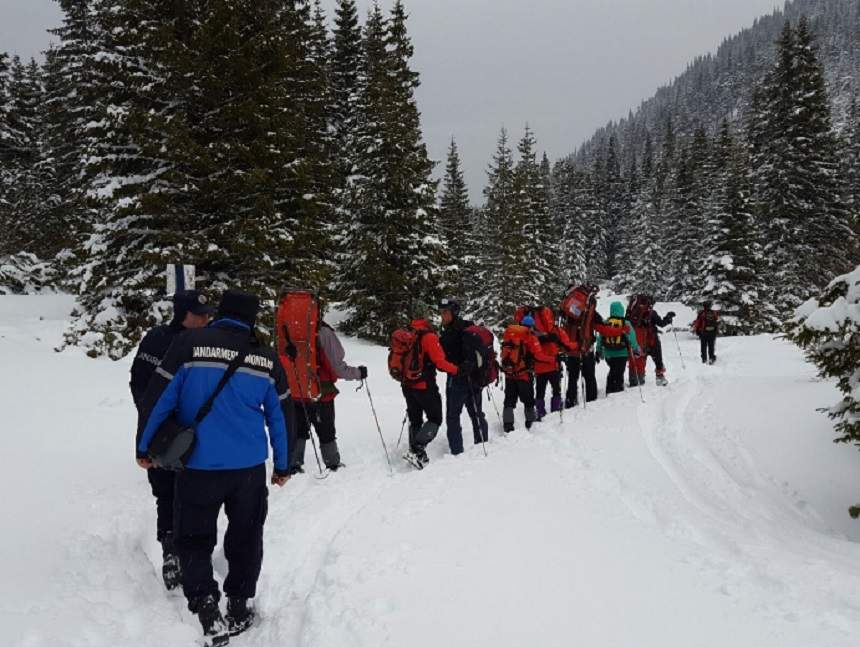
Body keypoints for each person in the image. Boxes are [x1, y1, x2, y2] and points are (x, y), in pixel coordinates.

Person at [136, 290, 291, 645]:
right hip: (248, 469)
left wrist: (144, 446)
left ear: (221, 313)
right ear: (251, 319)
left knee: (193, 536)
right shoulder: (266, 358)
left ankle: (206, 605)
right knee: (247, 534)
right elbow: (281, 416)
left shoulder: (190, 344)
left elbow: (159, 398)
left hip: (199, 466)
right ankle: (238, 604)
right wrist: (283, 464)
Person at [130, 289, 214, 590]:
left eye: (207, 314)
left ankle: (193, 550)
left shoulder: (209, 340)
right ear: (182, 313)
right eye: (198, 314)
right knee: (165, 492)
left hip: (199, 433)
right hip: (163, 433)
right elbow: (139, 383)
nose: (205, 319)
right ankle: (170, 549)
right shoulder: (156, 340)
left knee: (195, 492)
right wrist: (156, 423)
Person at [288, 310, 366, 474]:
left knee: (298, 428)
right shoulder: (322, 332)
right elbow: (338, 368)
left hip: (295, 390)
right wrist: (358, 373)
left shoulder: (287, 328)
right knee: (326, 430)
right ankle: (332, 464)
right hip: (320, 392)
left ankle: (293, 464)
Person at [400, 316, 460, 467]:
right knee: (435, 418)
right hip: (424, 385)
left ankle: (415, 451)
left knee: (415, 419)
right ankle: (417, 449)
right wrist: (456, 370)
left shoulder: (408, 334)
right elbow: (439, 362)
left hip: (407, 384)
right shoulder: (429, 337)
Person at [560, 285, 630, 407]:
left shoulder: (569, 310)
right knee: (589, 377)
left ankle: (570, 401)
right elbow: (605, 330)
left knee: (572, 377)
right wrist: (622, 330)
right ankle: (591, 401)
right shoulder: (590, 314)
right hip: (586, 348)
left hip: (571, 350)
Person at [438, 298, 489, 454]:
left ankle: (457, 452)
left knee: (453, 416)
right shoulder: (469, 327)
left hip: (457, 379)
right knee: (476, 412)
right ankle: (482, 444)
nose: (442, 316)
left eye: (445, 312)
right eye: (441, 313)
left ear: (454, 313)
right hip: (474, 378)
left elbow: (442, 359)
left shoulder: (448, 334)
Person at [500, 314, 554, 432]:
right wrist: (552, 359)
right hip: (523, 375)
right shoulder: (529, 336)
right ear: (531, 326)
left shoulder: (509, 333)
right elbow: (538, 355)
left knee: (509, 400)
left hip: (509, 374)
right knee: (528, 400)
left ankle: (508, 426)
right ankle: (531, 423)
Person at [532, 306, 576, 420]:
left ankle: (540, 412)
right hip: (553, 365)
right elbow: (568, 345)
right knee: (556, 389)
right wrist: (578, 345)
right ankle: (555, 410)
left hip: (539, 367)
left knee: (540, 391)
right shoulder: (556, 330)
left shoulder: (533, 331)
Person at [626, 295, 675, 387]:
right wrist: (668, 318)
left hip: (638, 342)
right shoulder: (651, 313)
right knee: (658, 358)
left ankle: (639, 376)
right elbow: (661, 323)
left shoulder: (631, 312)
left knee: (640, 359)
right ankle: (660, 376)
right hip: (652, 340)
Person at [596, 301, 641, 395]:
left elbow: (600, 337)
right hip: (622, 352)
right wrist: (636, 348)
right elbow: (632, 338)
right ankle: (618, 391)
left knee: (612, 370)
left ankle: (610, 389)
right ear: (621, 310)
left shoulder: (606, 322)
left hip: (609, 353)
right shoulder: (626, 323)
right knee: (619, 372)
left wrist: (599, 350)